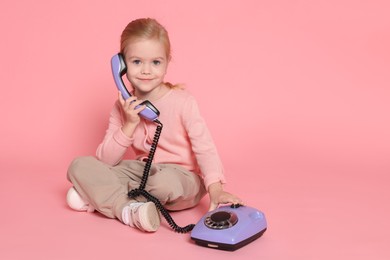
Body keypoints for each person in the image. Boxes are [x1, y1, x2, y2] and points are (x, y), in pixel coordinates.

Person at [66, 18, 243, 232]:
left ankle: (104, 198)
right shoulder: (122, 105)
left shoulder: (183, 102)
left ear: (168, 62)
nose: (146, 71)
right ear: (121, 65)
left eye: (156, 62)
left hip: (182, 178)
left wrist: (215, 188)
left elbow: (204, 147)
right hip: (143, 172)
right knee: (80, 165)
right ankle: (129, 210)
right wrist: (129, 125)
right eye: (137, 62)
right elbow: (106, 160)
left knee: (162, 183)